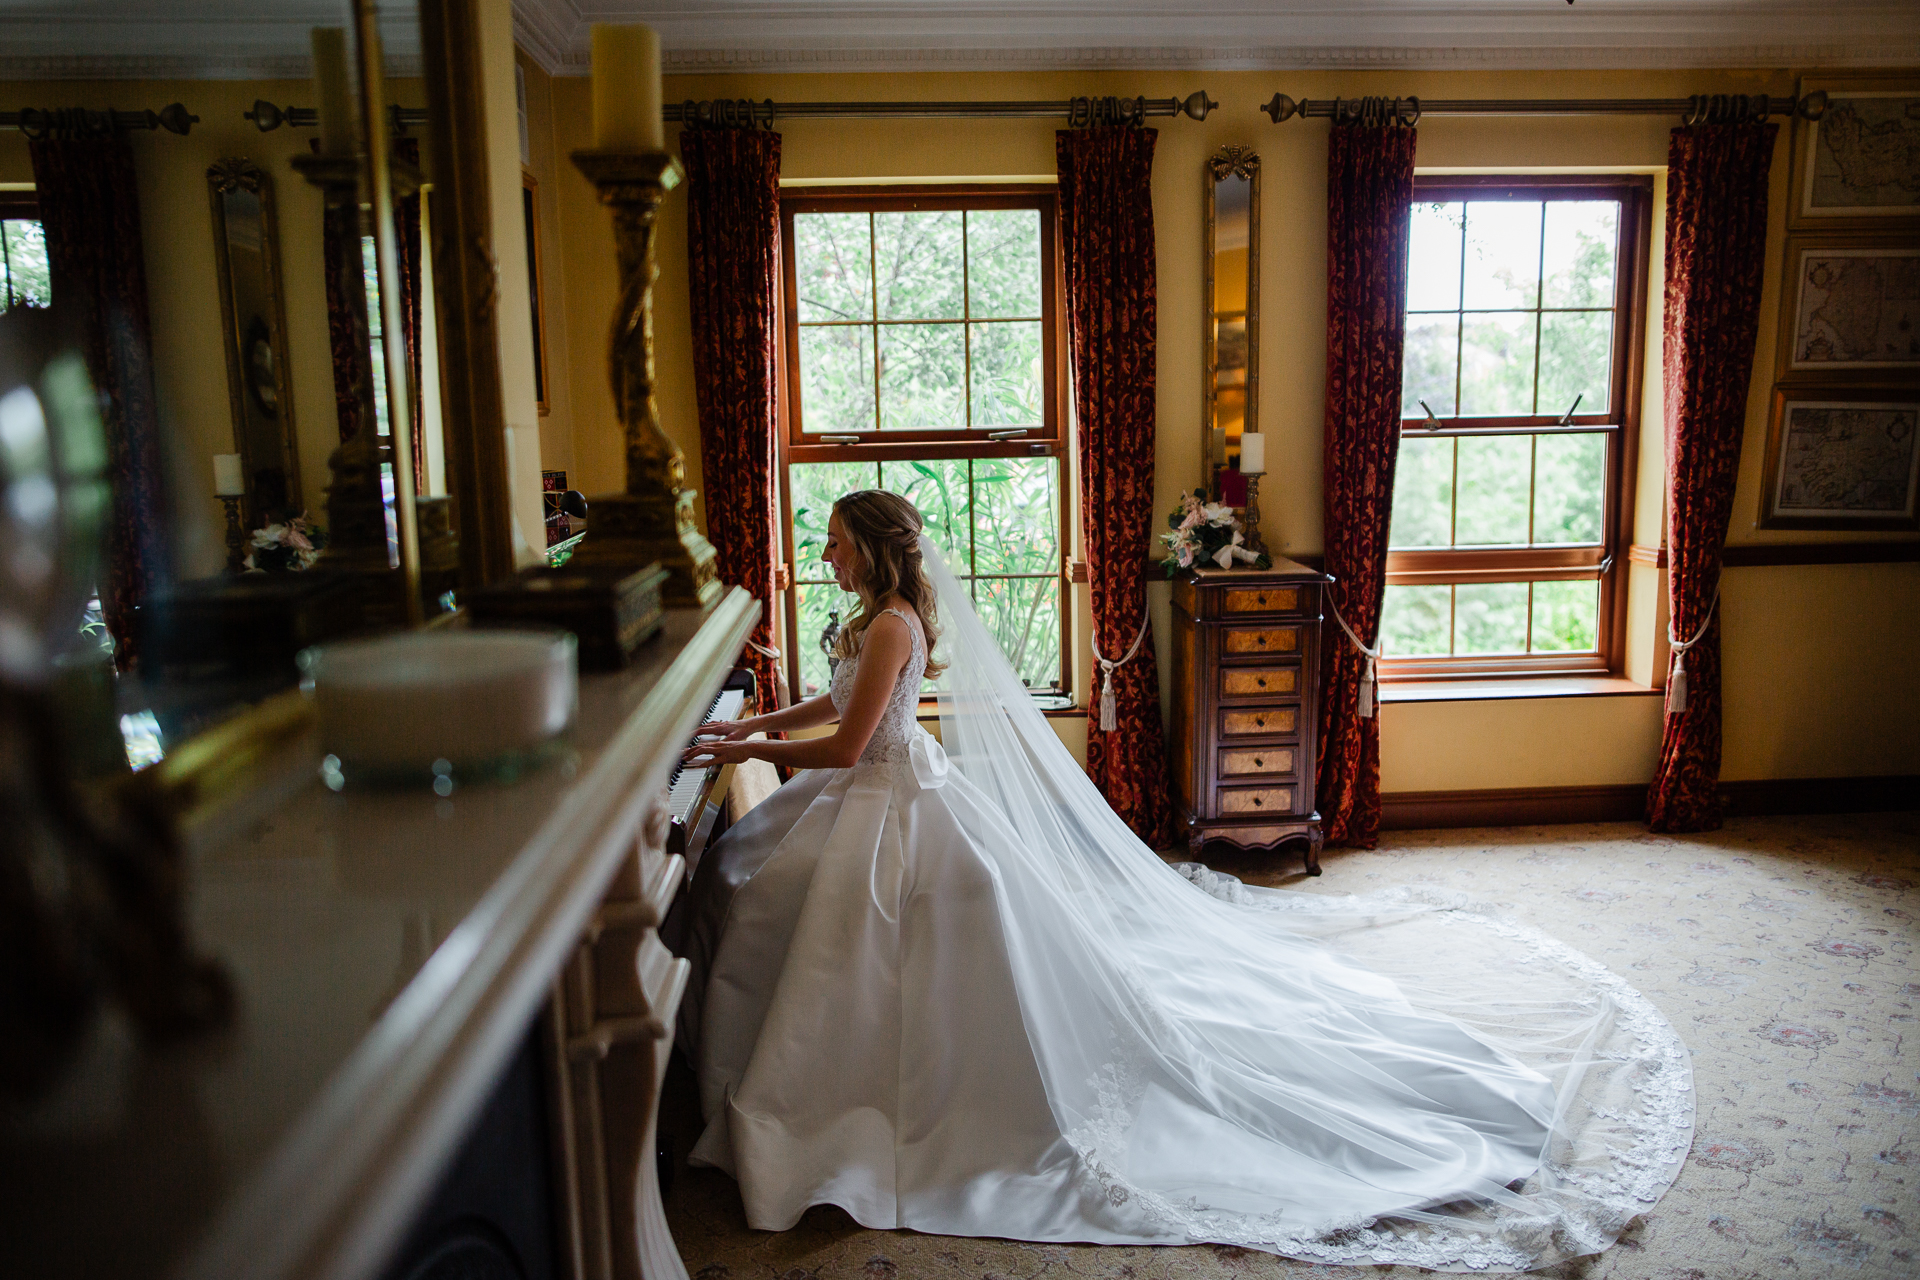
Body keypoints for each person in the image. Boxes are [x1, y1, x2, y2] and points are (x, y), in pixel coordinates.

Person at [674, 490, 1692, 1271]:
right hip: (879, 796)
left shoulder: (894, 621)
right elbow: (830, 698)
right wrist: (746, 729)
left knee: (769, 889)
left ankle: (856, 1092)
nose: (826, 555)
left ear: (875, 548)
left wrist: (761, 745)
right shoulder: (875, 621)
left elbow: (853, 744)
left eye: (838, 542)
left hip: (890, 805)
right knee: (755, 877)